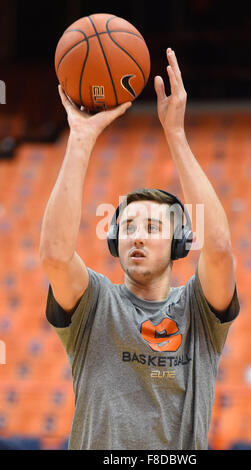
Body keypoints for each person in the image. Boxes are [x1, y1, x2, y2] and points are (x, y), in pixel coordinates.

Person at [39, 48, 240, 450]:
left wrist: (176, 136)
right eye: (128, 226)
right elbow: (56, 256)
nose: (137, 235)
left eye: (151, 226)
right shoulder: (95, 303)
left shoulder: (198, 312)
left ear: (180, 241)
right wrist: (80, 138)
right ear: (115, 241)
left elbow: (218, 247)